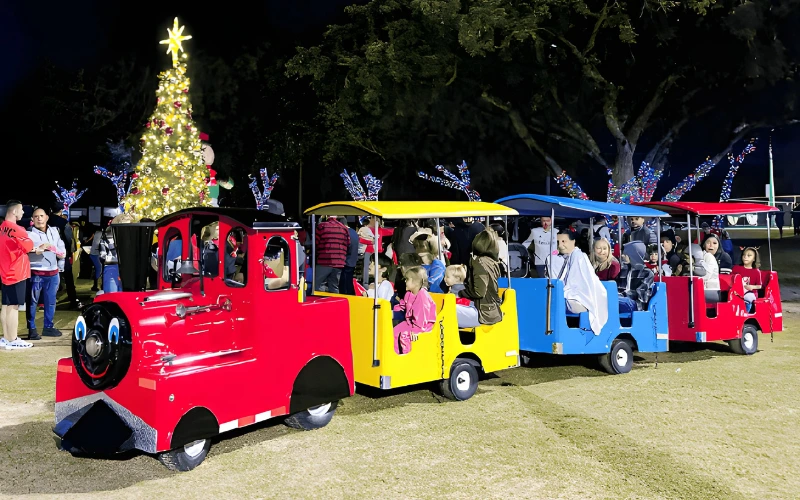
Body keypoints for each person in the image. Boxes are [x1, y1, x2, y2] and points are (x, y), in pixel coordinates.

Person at [553, 231, 608, 334]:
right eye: (557, 242)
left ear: (573, 241)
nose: (560, 245)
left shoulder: (579, 256)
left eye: (563, 241)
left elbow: (578, 281)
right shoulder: (566, 257)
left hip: (584, 295)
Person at [26, 207, 66, 339]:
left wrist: (61, 256)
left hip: (53, 272)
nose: (39, 219)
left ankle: (48, 327)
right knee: (32, 302)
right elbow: (25, 250)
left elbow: (60, 245)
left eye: (41, 216)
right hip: (36, 271)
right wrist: (39, 249)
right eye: (36, 216)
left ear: (47, 217)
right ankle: (32, 328)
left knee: (51, 301)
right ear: (32, 219)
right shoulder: (28, 234)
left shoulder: (54, 231)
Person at [0, 201, 36, 349]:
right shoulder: (18, 229)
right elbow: (29, 246)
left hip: (5, 270)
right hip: (17, 271)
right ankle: (13, 339)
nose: (23, 213)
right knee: (14, 307)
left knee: (6, 306)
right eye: (21, 210)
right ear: (14, 211)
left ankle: (6, 338)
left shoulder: (2, 227)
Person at [458, 229, 503, 326]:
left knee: (448, 310)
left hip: (483, 312)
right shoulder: (492, 262)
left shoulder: (480, 262)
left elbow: (479, 292)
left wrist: (461, 293)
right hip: (491, 309)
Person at [392, 266, 437, 355]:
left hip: (423, 326)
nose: (405, 282)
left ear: (415, 282)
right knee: (394, 331)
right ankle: (395, 355)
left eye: (407, 279)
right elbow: (403, 305)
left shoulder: (422, 296)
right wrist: (393, 311)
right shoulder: (409, 293)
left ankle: (407, 357)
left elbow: (422, 317)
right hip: (411, 322)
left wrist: (416, 330)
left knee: (404, 335)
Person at [49, 203, 80, 308]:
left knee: (50, 276)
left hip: (48, 252)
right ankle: (72, 299)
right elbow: (69, 238)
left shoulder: (46, 221)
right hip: (62, 253)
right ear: (61, 211)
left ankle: (47, 300)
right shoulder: (64, 223)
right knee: (68, 277)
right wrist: (72, 250)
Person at [314, 215, 350, 293]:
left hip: (324, 261)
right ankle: (334, 304)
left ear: (327, 216)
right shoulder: (344, 228)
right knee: (334, 286)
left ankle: (321, 304)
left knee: (319, 285)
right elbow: (348, 243)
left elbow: (316, 243)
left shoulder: (322, 226)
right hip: (339, 262)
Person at [732, 247, 763, 312]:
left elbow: (759, 286)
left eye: (749, 255)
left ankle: (745, 313)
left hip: (750, 293)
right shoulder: (736, 268)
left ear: (754, 259)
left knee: (749, 297)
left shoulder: (756, 271)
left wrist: (751, 287)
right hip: (736, 291)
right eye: (744, 255)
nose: (745, 257)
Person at [339, 219, 360, 295]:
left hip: (346, 261)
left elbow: (347, 247)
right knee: (349, 282)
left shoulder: (346, 233)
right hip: (352, 260)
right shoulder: (353, 232)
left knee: (344, 284)